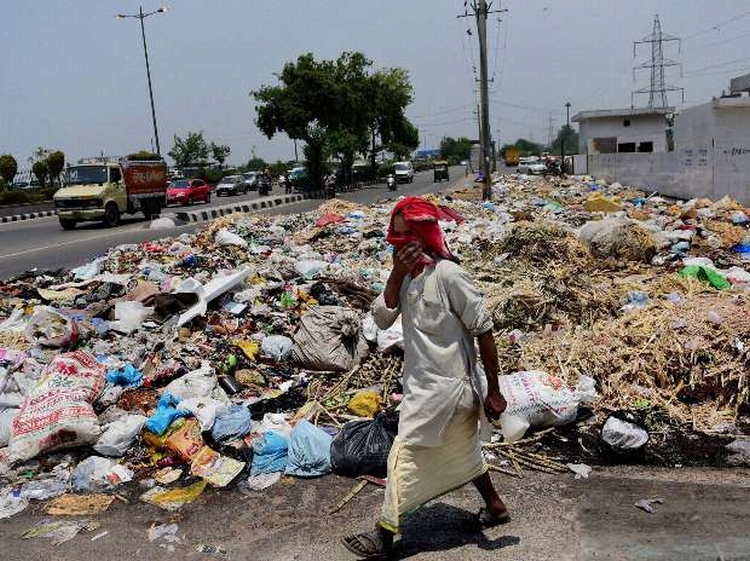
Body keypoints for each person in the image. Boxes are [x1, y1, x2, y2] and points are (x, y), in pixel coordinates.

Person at [343, 197, 510, 560]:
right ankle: (496, 507)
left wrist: (493, 391)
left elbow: (484, 329)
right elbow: (383, 318)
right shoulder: (407, 277)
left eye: (408, 238)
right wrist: (397, 272)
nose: (401, 245)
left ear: (424, 235)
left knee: (403, 455)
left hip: (451, 388)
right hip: (422, 386)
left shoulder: (448, 275)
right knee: (464, 450)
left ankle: (384, 533)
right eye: (396, 238)